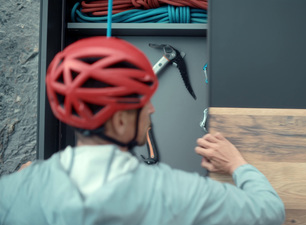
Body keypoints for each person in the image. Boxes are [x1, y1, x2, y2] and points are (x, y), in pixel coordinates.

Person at [0, 37, 285, 225]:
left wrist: (28, 183)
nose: (152, 110)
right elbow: (271, 213)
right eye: (143, 103)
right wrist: (237, 164)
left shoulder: (12, 192)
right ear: (121, 121)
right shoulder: (178, 195)